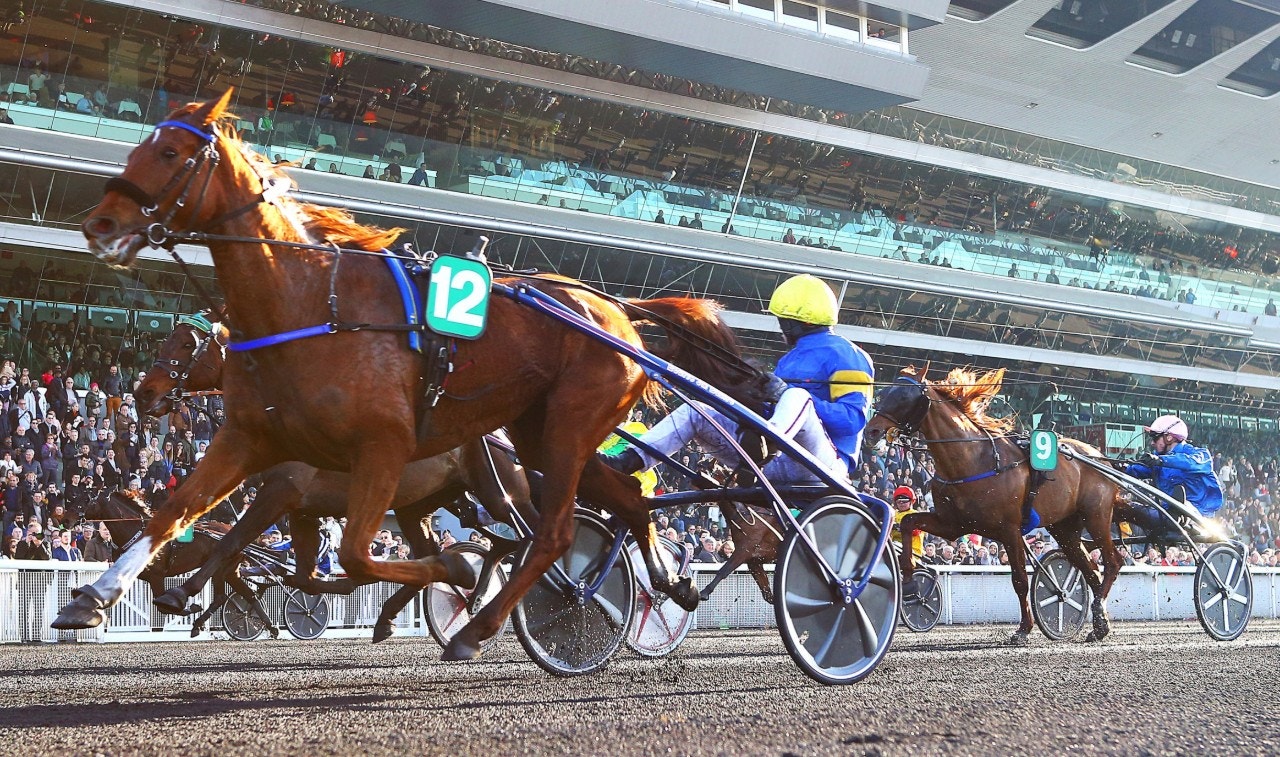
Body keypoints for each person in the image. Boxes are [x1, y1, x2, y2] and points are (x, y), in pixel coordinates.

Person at [600, 274, 873, 486]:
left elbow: (851, 421)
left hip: (826, 465)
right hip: (778, 462)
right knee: (698, 411)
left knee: (796, 397)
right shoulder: (790, 359)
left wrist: (785, 395)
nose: (780, 328)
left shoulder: (849, 355)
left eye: (782, 321)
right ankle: (629, 461)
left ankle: (764, 447)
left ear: (792, 323)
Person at [1125, 415, 1223, 534]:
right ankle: (1176, 518)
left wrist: (1162, 461)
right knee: (1124, 508)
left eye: (1155, 438)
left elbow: (1190, 462)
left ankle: (1184, 518)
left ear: (1169, 438)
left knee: (1180, 507)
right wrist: (1119, 467)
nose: (1152, 443)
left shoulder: (1200, 454)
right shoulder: (1157, 460)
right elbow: (1136, 470)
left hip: (1199, 514)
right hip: (1166, 514)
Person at [889, 486, 923, 557]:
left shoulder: (916, 515)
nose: (901, 504)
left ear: (911, 501)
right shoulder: (892, 514)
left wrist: (899, 527)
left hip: (912, 553)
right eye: (899, 502)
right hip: (895, 550)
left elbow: (917, 531)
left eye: (904, 501)